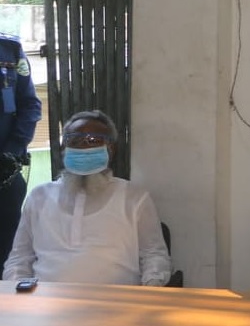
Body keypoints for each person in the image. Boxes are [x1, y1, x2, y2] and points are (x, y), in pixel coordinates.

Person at [3, 110, 172, 287]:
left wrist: (151, 288)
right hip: (46, 300)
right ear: (63, 148)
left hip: (117, 300)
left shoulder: (135, 198)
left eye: (94, 140)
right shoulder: (39, 197)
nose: (84, 146)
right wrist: (17, 293)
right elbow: (19, 258)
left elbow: (154, 255)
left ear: (111, 149)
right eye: (75, 140)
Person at [0, 31, 40, 265]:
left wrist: (11, 153)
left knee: (8, 253)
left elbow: (30, 105)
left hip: (4, 174)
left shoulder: (9, 49)